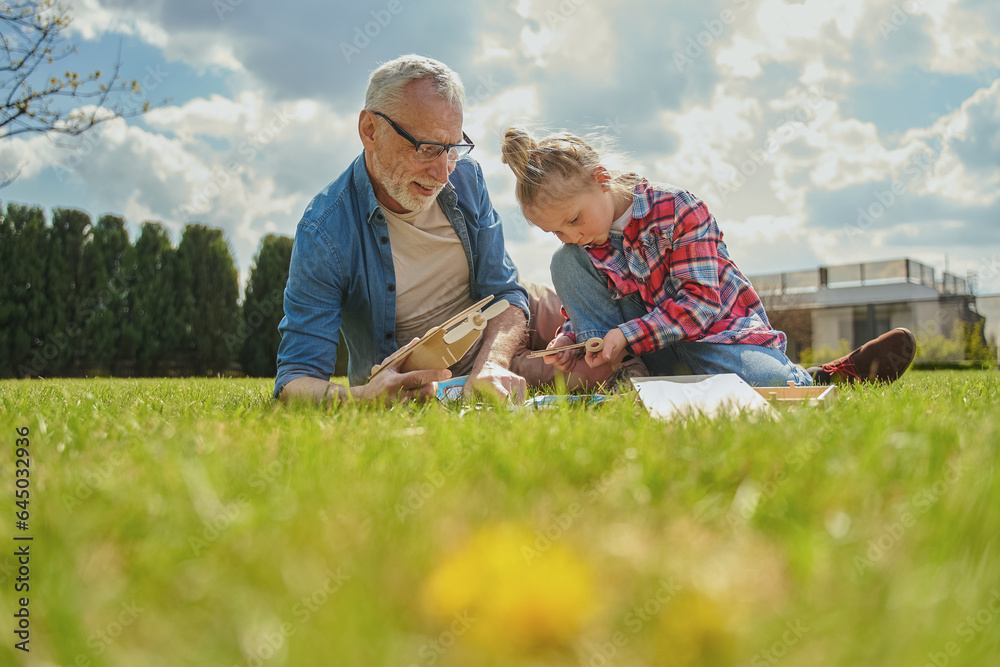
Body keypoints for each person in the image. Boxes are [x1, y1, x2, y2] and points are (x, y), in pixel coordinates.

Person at [274, 55, 610, 405]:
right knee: (602, 370)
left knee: (613, 328)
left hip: (509, 325)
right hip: (453, 373)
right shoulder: (325, 233)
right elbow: (294, 380)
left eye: (452, 149)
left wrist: (492, 363)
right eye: (428, 149)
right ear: (370, 131)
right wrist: (362, 398)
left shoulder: (467, 177)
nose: (444, 172)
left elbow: (506, 292)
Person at [499, 127, 917, 386]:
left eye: (574, 219)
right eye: (556, 231)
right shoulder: (582, 246)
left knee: (763, 380)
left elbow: (699, 306)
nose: (573, 235)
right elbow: (603, 305)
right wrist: (574, 337)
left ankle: (815, 378)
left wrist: (625, 335)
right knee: (564, 263)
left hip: (712, 337)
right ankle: (626, 378)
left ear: (601, 179)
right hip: (647, 353)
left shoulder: (679, 210)